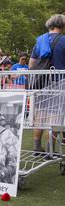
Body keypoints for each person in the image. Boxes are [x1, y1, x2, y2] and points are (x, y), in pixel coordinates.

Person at [29, 14, 65, 154]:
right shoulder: (64, 40)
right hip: (59, 83)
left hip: (41, 83)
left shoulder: (40, 40)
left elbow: (32, 64)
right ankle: (50, 148)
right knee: (55, 116)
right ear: (62, 26)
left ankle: (37, 146)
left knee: (41, 114)